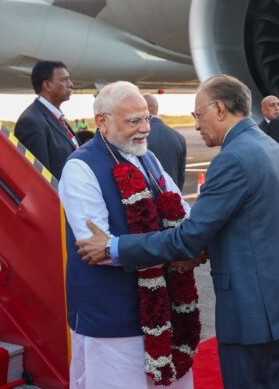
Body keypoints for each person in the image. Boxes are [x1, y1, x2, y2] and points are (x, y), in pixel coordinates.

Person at [76, 74, 279, 389]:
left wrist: (114, 248)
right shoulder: (266, 144)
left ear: (219, 109)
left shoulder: (232, 158)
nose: (198, 125)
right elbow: (247, 223)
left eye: (198, 116)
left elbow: (188, 236)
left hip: (251, 310)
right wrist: (201, 250)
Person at [59, 81, 202, 388]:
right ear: (102, 121)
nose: (145, 128)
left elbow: (182, 215)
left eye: (147, 118)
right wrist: (177, 246)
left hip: (162, 307)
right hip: (112, 315)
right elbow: (96, 248)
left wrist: (184, 241)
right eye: (133, 121)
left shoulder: (147, 158)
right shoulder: (80, 167)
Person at [14, 60, 78, 179]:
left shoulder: (55, 118)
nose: (70, 84)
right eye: (65, 80)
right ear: (47, 85)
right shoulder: (31, 122)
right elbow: (39, 178)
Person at [144, 93, 188, 190]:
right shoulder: (179, 137)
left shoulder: (140, 136)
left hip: (149, 199)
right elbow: (181, 176)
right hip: (173, 197)